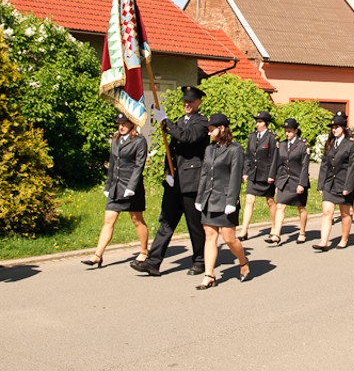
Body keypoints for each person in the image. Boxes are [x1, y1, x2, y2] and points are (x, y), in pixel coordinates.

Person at [132, 86, 209, 277]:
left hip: (191, 182)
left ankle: (200, 260)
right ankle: (153, 262)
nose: (187, 104)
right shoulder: (181, 121)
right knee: (166, 222)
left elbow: (187, 137)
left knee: (195, 225)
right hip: (175, 182)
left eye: (191, 101)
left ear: (199, 102)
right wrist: (168, 171)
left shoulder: (202, 123)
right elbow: (172, 150)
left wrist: (165, 121)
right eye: (185, 101)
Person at [82, 112, 149, 269]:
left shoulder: (139, 141)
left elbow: (139, 166)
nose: (121, 126)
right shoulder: (116, 140)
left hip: (131, 188)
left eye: (125, 123)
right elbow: (112, 164)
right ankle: (97, 255)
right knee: (108, 220)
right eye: (119, 123)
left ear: (132, 124)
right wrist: (108, 186)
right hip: (116, 187)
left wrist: (131, 187)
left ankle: (144, 251)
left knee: (137, 220)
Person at [194, 113, 248, 289]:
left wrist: (231, 201)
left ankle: (243, 261)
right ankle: (209, 275)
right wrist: (199, 198)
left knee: (229, 238)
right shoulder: (209, 149)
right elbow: (204, 174)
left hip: (225, 200)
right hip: (210, 198)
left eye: (212, 130)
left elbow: (235, 177)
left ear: (222, 129)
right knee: (210, 235)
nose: (209, 133)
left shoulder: (235, 150)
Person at [313, 112, 354, 251]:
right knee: (327, 212)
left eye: (337, 127)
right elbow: (324, 164)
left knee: (345, 213)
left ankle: (344, 239)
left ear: (343, 128)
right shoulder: (330, 143)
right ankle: (323, 242)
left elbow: (352, 167)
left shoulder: (351, 144)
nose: (334, 130)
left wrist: (348, 186)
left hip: (344, 183)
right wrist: (321, 183)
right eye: (332, 127)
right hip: (330, 183)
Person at [239, 111, 278, 240]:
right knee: (249, 200)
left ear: (266, 123)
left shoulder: (272, 137)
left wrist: (272, 175)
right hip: (253, 174)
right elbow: (248, 156)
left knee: (270, 201)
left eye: (260, 122)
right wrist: (245, 172)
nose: (257, 124)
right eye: (257, 121)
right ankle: (244, 230)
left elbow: (274, 158)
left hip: (266, 175)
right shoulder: (252, 137)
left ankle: (274, 227)